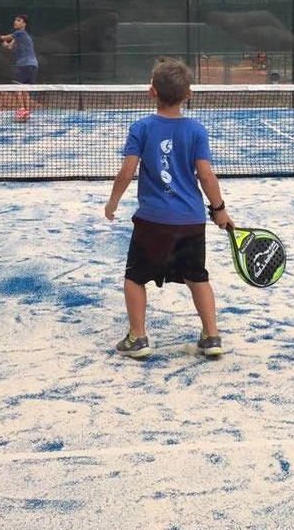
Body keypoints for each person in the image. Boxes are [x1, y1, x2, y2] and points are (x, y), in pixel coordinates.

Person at [104, 57, 234, 360]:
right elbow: (206, 175)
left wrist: (113, 202)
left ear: (152, 92)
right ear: (188, 94)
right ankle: (211, 337)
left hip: (152, 222)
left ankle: (138, 338)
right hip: (191, 221)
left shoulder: (141, 128)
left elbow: (127, 171)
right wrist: (219, 209)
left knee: (135, 277)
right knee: (197, 277)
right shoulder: (197, 130)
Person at [0, 14, 38, 121]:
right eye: (15, 20)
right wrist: (5, 44)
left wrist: (0, 37)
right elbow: (9, 46)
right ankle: (26, 113)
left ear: (24, 24)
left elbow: (4, 37)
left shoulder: (20, 33)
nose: (15, 22)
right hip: (33, 65)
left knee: (17, 87)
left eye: (18, 20)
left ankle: (21, 111)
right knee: (25, 89)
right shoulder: (19, 36)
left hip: (25, 64)